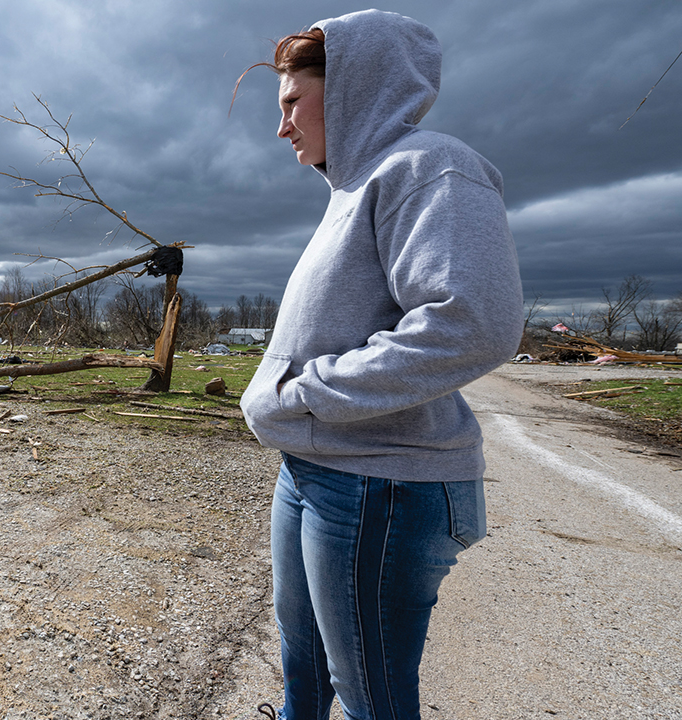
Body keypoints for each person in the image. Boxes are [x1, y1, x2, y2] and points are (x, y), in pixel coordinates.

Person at [236, 10, 524, 720]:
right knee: (302, 671)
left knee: (373, 699)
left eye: (291, 104)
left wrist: (305, 393)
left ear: (351, 90)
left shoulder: (430, 166)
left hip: (381, 485)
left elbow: (472, 323)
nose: (283, 129)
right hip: (316, 471)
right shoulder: (350, 192)